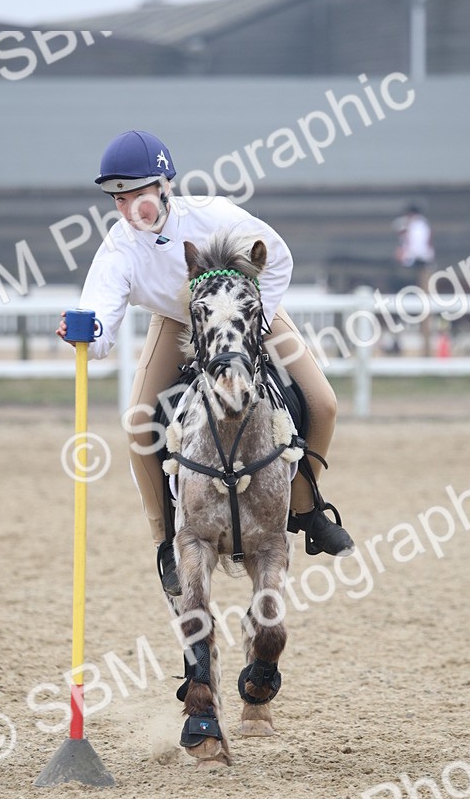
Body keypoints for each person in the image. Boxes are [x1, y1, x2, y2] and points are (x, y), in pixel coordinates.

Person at [56, 130, 355, 595]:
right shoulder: (118, 248)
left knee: (324, 403)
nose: (130, 209)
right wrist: (85, 334)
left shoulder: (215, 214)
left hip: (241, 309)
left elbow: (278, 257)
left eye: (138, 195)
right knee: (138, 424)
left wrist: (252, 320)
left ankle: (306, 510)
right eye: (119, 199)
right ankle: (164, 542)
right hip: (178, 320)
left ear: (165, 187)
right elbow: (100, 327)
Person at [392, 203, 435, 355]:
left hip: (417, 263)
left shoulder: (418, 226)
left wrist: (404, 256)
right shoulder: (417, 224)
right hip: (417, 260)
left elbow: (416, 249)